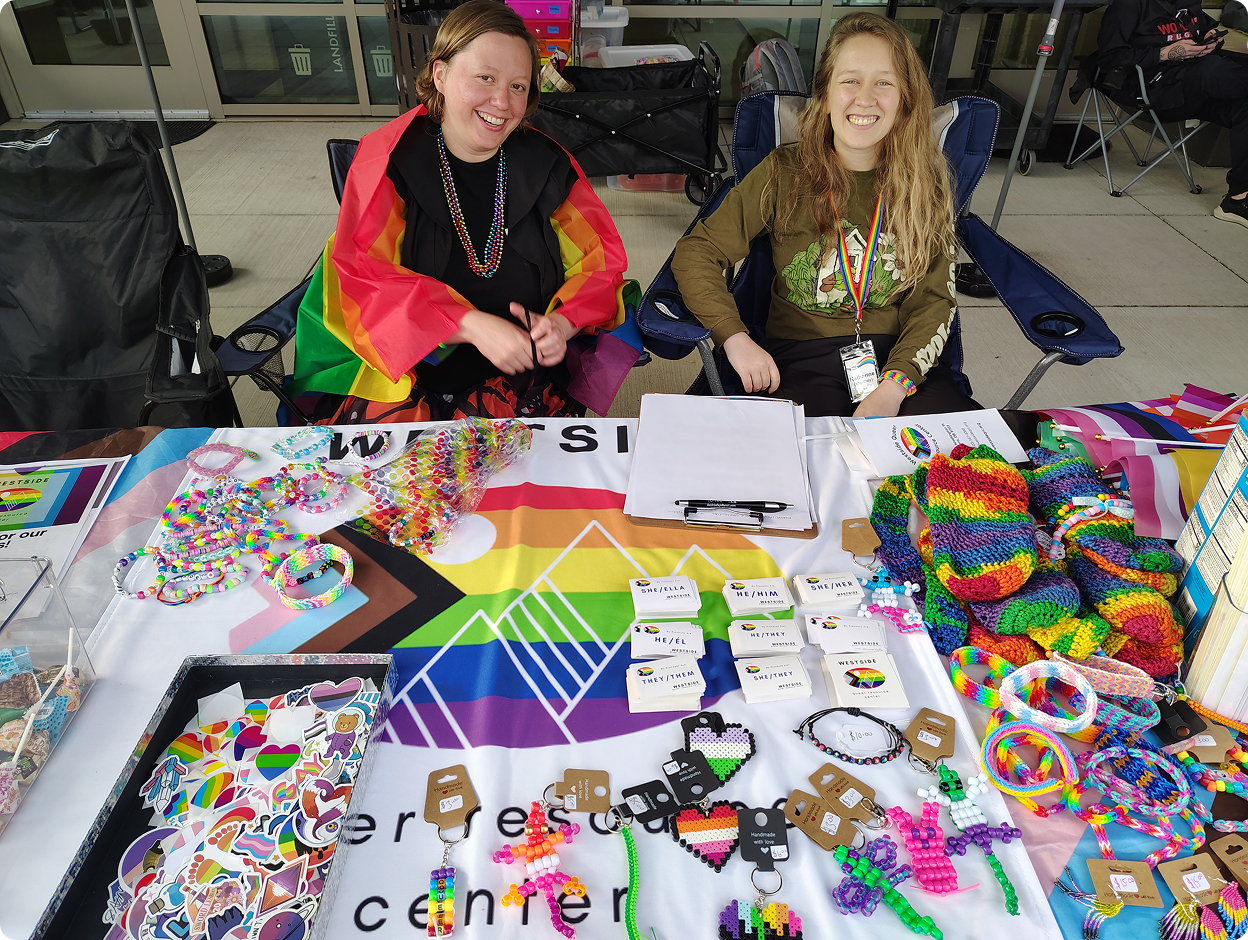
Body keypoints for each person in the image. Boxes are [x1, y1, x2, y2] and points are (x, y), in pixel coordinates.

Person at [290, 0, 631, 423]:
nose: (502, 102)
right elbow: (362, 278)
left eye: (518, 86)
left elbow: (601, 267)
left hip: (524, 378)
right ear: (441, 74)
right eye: (485, 78)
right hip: (410, 375)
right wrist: (469, 325)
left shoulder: (550, 167)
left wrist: (562, 324)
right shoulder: (391, 162)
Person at [670, 13, 977, 419]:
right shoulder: (785, 171)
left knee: (960, 466)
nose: (865, 99)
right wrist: (735, 337)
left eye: (884, 82)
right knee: (797, 465)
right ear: (826, 93)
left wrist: (893, 387)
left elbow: (934, 302)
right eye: (850, 80)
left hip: (901, 365)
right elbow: (697, 252)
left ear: (905, 97)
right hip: (799, 357)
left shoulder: (926, 183)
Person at [1096, 0, 1248, 227]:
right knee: (1211, 69)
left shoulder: (1189, 3)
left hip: (1193, 88)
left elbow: (1205, 27)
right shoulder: (1129, 5)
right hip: (1152, 90)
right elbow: (1109, 57)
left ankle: (1238, 200)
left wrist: (1211, 40)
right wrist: (1166, 53)